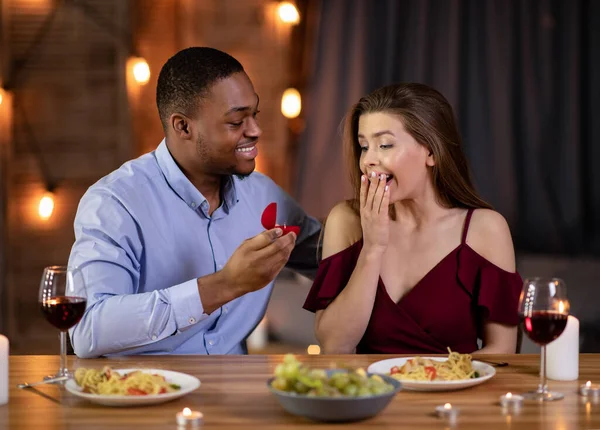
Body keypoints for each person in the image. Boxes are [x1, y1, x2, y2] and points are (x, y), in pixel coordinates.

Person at [68, 47, 321, 358]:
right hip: (142, 395)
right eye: (236, 122)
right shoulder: (115, 203)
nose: (255, 131)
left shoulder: (264, 195)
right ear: (183, 127)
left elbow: (331, 261)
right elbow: (88, 329)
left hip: (237, 394)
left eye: (254, 115)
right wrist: (224, 285)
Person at [303, 83, 522, 354]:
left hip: (453, 393)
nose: (368, 160)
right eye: (363, 146)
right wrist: (372, 248)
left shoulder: (486, 228)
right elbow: (335, 346)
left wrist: (435, 380)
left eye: (384, 145)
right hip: (370, 393)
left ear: (431, 151)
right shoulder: (346, 220)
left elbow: (502, 352)